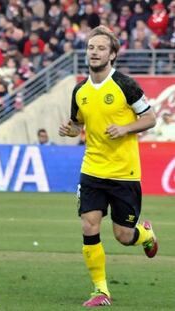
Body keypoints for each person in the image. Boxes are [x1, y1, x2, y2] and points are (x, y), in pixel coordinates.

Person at [58, 26, 158, 307]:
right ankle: (100, 291)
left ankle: (146, 234)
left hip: (124, 172)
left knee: (124, 236)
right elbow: (78, 123)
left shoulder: (126, 85)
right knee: (89, 226)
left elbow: (150, 119)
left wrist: (125, 128)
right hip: (92, 169)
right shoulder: (80, 90)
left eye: (101, 48)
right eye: (91, 48)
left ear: (112, 54)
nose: (94, 52)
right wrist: (71, 130)